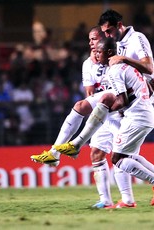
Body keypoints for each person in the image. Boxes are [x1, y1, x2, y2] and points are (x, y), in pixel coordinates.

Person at [31, 9, 154, 207]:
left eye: (105, 33)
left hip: (137, 99)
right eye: (99, 37)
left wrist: (124, 62)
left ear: (118, 26)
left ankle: (71, 148)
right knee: (113, 152)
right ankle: (124, 194)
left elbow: (148, 69)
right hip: (129, 99)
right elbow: (96, 87)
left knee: (119, 153)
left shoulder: (135, 39)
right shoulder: (98, 58)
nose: (105, 37)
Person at [31, 26, 117, 208]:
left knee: (124, 158)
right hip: (104, 113)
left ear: (104, 39)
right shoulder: (88, 64)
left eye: (94, 39)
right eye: (89, 40)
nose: (91, 43)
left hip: (119, 110)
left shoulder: (117, 59)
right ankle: (106, 201)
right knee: (96, 154)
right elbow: (90, 93)